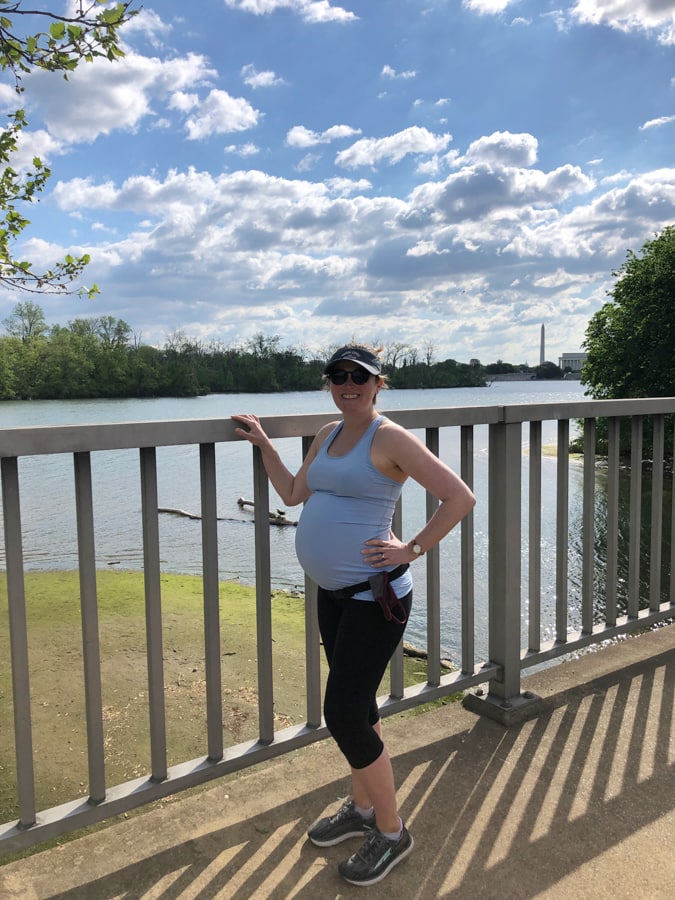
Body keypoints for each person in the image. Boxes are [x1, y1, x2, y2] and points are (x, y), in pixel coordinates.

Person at [232, 343, 475, 887]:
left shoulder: (389, 438)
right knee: (359, 707)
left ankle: (391, 831)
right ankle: (362, 808)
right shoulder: (327, 434)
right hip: (333, 595)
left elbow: (459, 497)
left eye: (359, 377)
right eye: (338, 376)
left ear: (377, 384)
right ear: (329, 383)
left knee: (342, 715)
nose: (348, 385)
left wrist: (411, 548)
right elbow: (292, 493)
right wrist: (265, 444)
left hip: (375, 596)